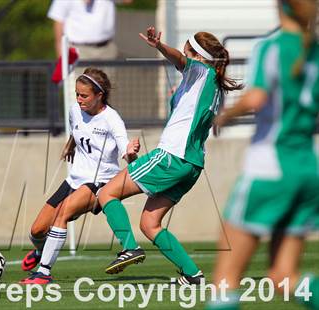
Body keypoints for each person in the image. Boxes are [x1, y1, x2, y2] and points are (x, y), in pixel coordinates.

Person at [97, 26, 243, 283]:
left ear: (197, 55)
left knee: (107, 193)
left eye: (187, 49)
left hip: (172, 157)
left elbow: (180, 59)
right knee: (150, 224)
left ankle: (129, 247)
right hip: (192, 166)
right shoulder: (212, 85)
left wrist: (160, 47)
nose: (183, 56)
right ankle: (192, 274)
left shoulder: (202, 71)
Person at [207, 0, 319, 308]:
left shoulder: (272, 47)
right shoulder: (316, 52)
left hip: (270, 166)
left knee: (225, 280)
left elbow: (257, 96)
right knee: (284, 277)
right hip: (307, 170)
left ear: (281, 7)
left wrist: (224, 116)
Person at [19, 67, 140, 284]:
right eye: (77, 94)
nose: (79, 99)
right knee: (37, 230)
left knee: (62, 215)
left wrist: (130, 152)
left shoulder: (112, 119)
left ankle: (43, 273)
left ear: (99, 95)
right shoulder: (75, 109)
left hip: (99, 181)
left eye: (84, 95)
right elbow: (77, 130)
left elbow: (125, 150)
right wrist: (70, 145)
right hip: (73, 179)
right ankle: (40, 252)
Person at [47, 0, 132, 60]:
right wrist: (61, 58)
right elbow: (58, 28)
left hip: (106, 49)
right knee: (79, 84)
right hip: (78, 51)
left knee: (106, 85)